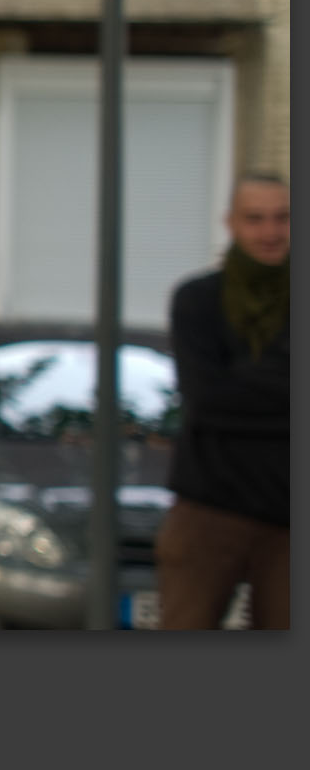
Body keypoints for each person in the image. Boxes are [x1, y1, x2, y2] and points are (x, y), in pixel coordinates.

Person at [155, 173, 290, 629]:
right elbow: (207, 400)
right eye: (255, 219)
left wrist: (244, 384)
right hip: (208, 509)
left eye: (282, 218)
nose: (270, 232)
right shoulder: (198, 300)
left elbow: (226, 396)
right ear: (231, 223)